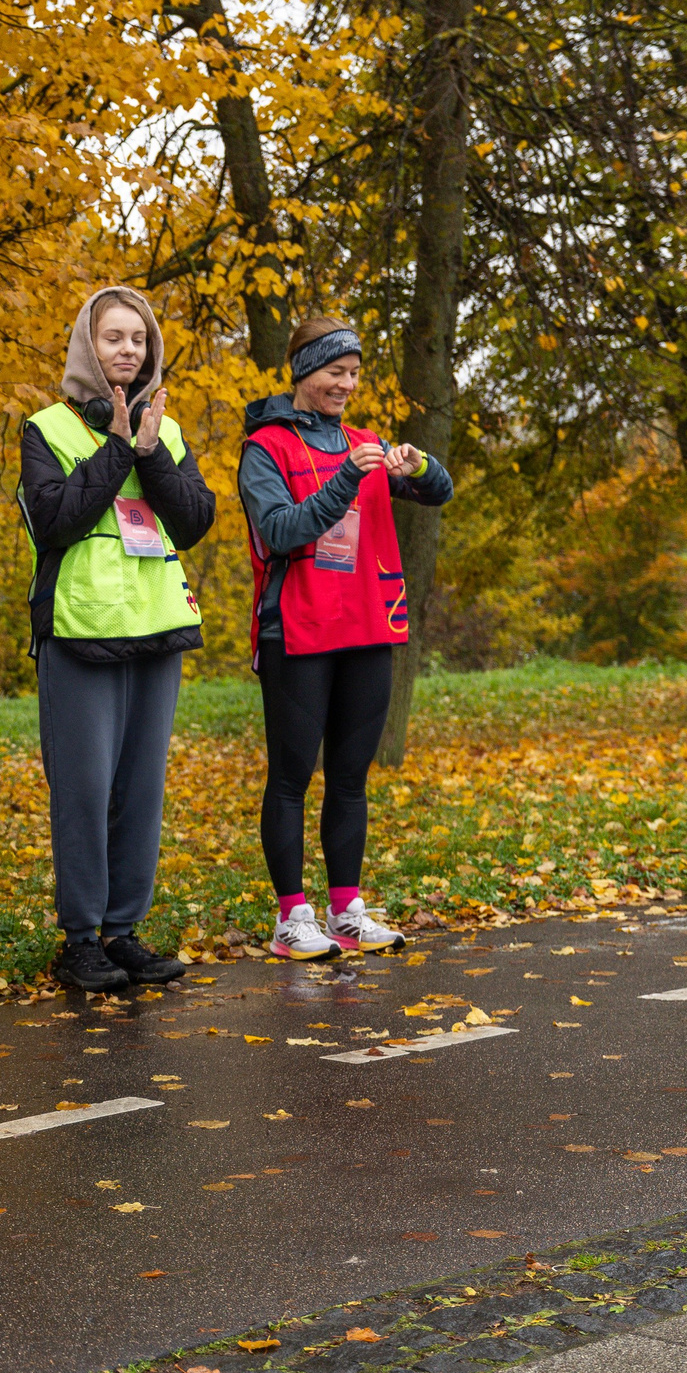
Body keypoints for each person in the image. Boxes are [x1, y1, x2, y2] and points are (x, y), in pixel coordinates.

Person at [18, 286, 216, 992]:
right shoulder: (47, 429)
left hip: (156, 631)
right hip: (79, 634)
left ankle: (123, 933)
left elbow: (194, 520)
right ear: (87, 348)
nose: (127, 350)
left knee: (140, 790)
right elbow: (55, 521)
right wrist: (118, 447)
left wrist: (153, 451)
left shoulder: (170, 427)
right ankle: (81, 942)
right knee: (84, 789)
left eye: (138, 339)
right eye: (113, 338)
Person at [240, 316, 454, 958]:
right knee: (292, 776)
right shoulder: (266, 447)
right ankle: (290, 917)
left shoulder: (366, 441)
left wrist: (418, 465)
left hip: (367, 623)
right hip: (298, 630)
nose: (346, 385)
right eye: (336, 373)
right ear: (305, 372)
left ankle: (346, 910)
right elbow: (280, 530)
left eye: (355, 375)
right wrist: (344, 482)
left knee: (351, 777)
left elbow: (437, 493)